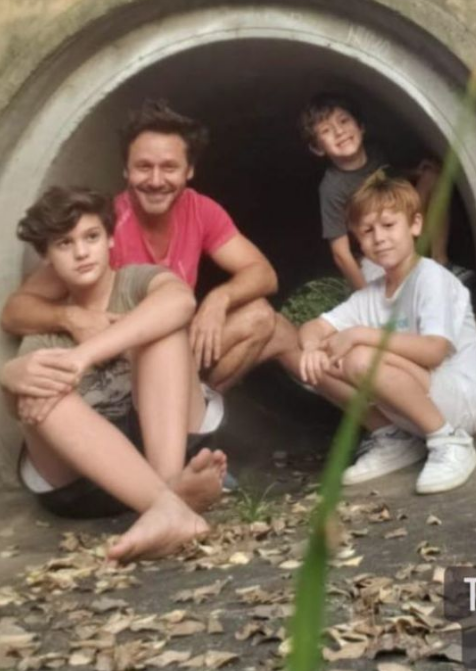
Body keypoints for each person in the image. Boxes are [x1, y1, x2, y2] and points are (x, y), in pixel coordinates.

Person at [1, 100, 297, 392]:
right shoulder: (101, 229)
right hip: (120, 361)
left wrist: (219, 299)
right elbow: (14, 312)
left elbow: (263, 274)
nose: (156, 181)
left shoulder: (201, 210)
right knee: (274, 329)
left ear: (189, 171)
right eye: (143, 167)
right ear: (126, 170)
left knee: (262, 317)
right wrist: (71, 318)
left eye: (169, 167)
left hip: (176, 347)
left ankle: (198, 400)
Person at [0, 186, 227, 561]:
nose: (81, 252)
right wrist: (12, 379)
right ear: (47, 258)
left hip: (165, 446)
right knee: (37, 384)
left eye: (91, 237)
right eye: (64, 244)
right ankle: (171, 503)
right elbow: (24, 409)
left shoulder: (136, 282)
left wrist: (82, 357)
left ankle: (166, 500)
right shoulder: (45, 330)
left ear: (109, 239)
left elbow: (179, 301)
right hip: (86, 479)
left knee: (165, 331)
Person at [298, 172, 476, 494]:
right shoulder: (370, 295)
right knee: (319, 362)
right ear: (358, 241)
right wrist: (310, 348)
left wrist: (360, 334)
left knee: (360, 358)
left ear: (415, 225)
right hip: (416, 400)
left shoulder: (431, 278)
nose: (379, 238)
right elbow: (314, 327)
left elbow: (434, 351)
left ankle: (449, 441)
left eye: (389, 225)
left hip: (460, 402)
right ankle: (395, 439)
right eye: (367, 231)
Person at [298, 91, 473, 291]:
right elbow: (340, 253)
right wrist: (365, 296)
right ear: (318, 148)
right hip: (377, 254)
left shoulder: (376, 153)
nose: (339, 132)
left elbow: (388, 175)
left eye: (344, 121)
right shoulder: (333, 188)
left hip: (405, 228)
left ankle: (441, 262)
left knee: (433, 176)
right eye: (326, 130)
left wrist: (414, 172)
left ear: (361, 126)